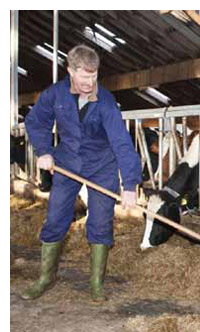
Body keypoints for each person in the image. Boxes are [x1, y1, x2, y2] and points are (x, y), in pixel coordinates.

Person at [21, 44, 142, 302]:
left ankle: (96, 283)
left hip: (101, 167)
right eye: (85, 76)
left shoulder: (106, 101)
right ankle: (46, 277)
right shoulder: (55, 94)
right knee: (55, 218)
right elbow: (36, 122)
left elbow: (122, 142)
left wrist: (130, 184)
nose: (90, 82)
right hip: (67, 164)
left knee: (100, 222)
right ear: (70, 71)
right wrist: (44, 150)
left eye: (94, 76)